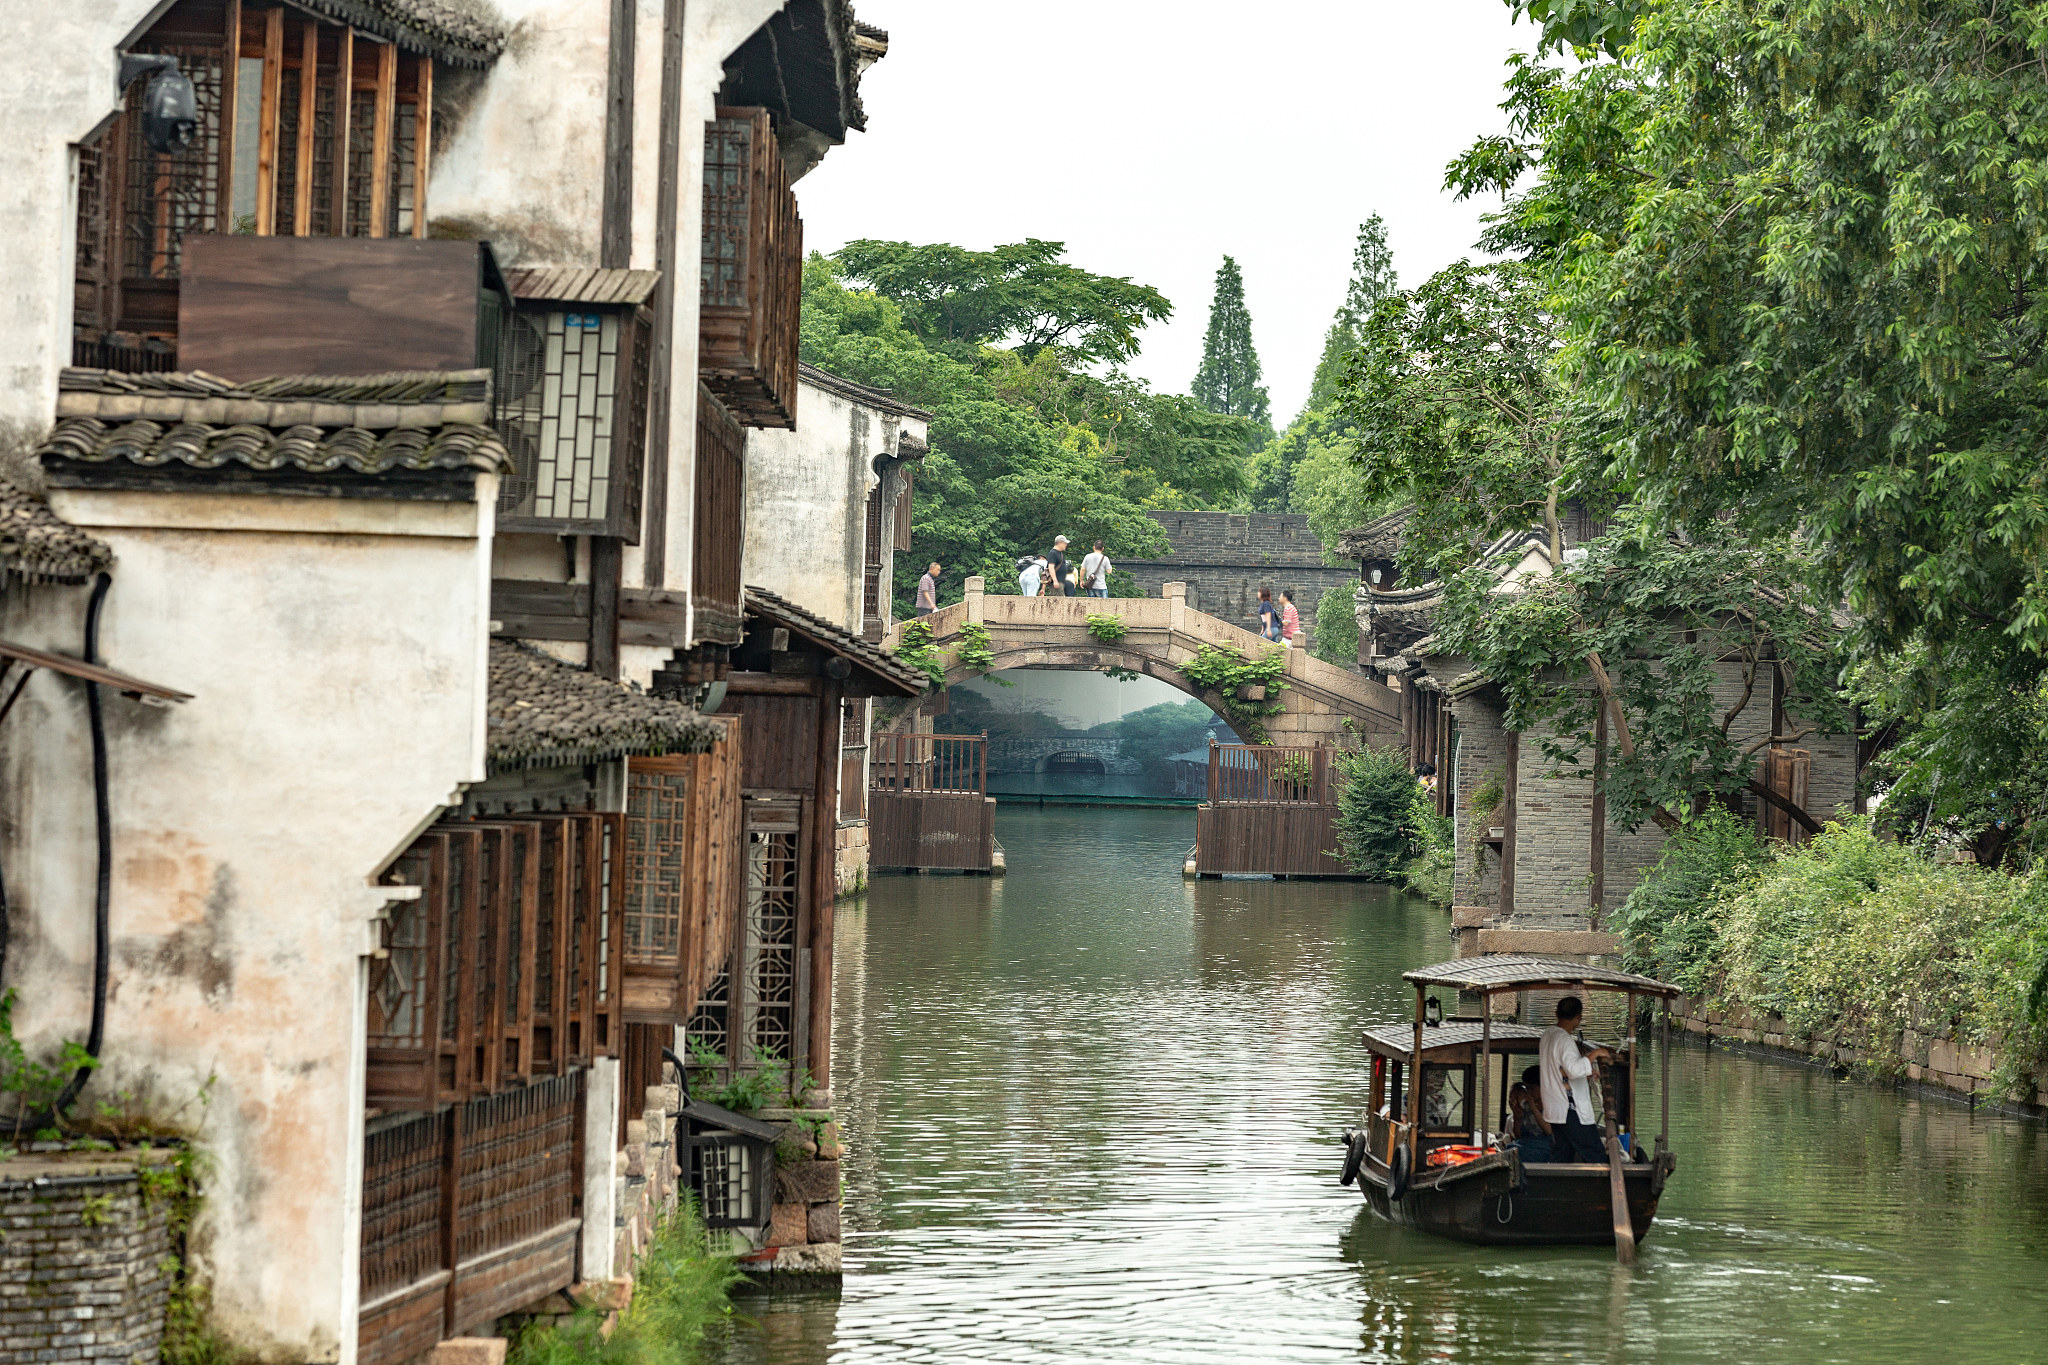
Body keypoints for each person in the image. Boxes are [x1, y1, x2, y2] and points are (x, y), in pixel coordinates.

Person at [1539, 996, 1613, 1163]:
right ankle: (1606, 1187)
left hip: (1555, 1107)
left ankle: (1554, 1187)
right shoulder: (1565, 1039)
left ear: (1556, 1014)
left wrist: (1585, 1072)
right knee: (1595, 1154)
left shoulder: (1548, 1035)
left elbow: (1560, 1069)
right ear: (1579, 1018)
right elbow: (1572, 1070)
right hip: (1571, 1110)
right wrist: (1595, 1054)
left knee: (1562, 1153)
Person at [1505, 1064, 1553, 1162]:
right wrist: (1517, 1118)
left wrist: (1533, 1108)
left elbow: (1548, 1130)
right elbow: (1518, 1135)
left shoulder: (1551, 1106)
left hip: (1544, 1147)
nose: (1529, 1092)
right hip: (1524, 1143)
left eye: (1532, 1089)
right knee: (1510, 1149)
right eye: (1527, 1089)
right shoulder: (1525, 1106)